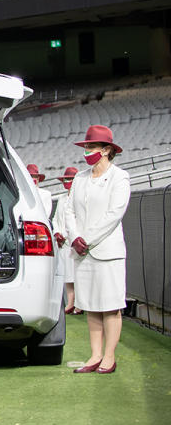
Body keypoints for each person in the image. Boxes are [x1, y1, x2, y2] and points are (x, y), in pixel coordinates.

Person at [65, 125, 130, 375]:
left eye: (91, 147)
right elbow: (69, 210)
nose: (87, 151)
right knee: (91, 304)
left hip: (107, 251)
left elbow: (114, 214)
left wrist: (87, 239)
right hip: (82, 251)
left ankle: (109, 357)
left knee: (110, 305)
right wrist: (75, 237)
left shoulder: (119, 177)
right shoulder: (80, 178)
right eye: (86, 147)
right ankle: (95, 355)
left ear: (106, 150)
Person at [51, 167, 80, 314]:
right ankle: (71, 302)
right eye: (66, 180)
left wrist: (71, 236)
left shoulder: (80, 197)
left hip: (74, 241)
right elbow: (56, 219)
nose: (67, 182)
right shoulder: (62, 199)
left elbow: (78, 220)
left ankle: (79, 303)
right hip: (62, 242)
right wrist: (57, 232)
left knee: (77, 273)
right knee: (68, 274)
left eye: (70, 179)